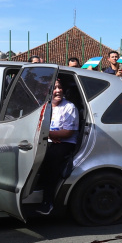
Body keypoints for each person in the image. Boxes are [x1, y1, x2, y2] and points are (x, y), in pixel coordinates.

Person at [36, 86, 79, 215]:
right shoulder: (43, 106)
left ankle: (47, 201)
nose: (58, 90)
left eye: (60, 87)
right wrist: (49, 135)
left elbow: (67, 133)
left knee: (51, 158)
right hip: (48, 140)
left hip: (65, 143)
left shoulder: (69, 107)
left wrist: (48, 134)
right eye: (54, 88)